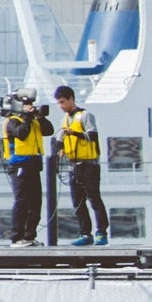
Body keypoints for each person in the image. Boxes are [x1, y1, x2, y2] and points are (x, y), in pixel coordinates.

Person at [50, 85, 107, 246]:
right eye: (58, 103)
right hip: (74, 165)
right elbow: (59, 139)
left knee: (94, 199)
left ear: (70, 99)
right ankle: (85, 233)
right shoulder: (65, 120)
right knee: (78, 202)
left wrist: (74, 133)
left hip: (89, 165)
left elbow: (93, 136)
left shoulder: (85, 116)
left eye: (62, 102)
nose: (61, 106)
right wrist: (59, 149)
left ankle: (102, 232)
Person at [0, 89, 53, 246]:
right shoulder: (12, 121)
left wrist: (39, 117)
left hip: (33, 165)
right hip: (19, 165)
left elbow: (48, 130)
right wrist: (27, 117)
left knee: (35, 202)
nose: (30, 106)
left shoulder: (33, 120)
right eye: (27, 104)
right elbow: (21, 134)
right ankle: (17, 237)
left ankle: (29, 236)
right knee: (22, 201)